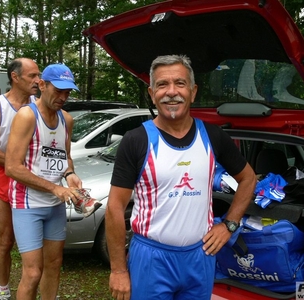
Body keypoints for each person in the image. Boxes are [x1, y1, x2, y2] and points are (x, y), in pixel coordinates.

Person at [106, 54, 257, 300]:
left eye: (180, 83)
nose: (171, 92)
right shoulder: (136, 140)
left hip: (200, 257)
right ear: (152, 92)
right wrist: (118, 269)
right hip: (151, 258)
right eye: (162, 84)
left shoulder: (213, 136)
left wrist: (229, 225)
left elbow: (248, 179)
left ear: (193, 91)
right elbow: (114, 208)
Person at [4, 63, 82, 300]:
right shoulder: (27, 116)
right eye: (58, 90)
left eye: (67, 92)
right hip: (27, 205)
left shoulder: (66, 120)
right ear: (42, 85)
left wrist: (70, 176)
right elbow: (12, 167)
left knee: (54, 265)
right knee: (32, 272)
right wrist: (54, 188)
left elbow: (65, 157)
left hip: (55, 206)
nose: (63, 97)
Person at [0, 57, 40, 300]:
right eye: (32, 76)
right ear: (15, 77)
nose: (38, 81)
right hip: (4, 174)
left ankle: (39, 286)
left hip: (35, 177)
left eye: (39, 75)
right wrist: (18, 164)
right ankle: (4, 290)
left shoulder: (39, 104)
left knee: (40, 242)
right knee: (6, 239)